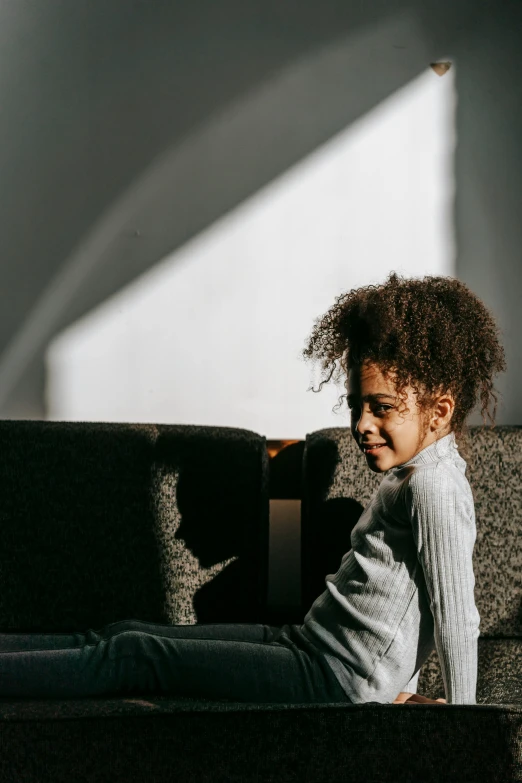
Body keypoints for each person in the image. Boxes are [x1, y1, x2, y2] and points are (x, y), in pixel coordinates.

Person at [0, 272, 506, 706]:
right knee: (122, 634)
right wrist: (395, 682)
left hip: (328, 679)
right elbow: (406, 604)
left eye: (382, 407)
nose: (362, 424)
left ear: (439, 411)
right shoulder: (417, 474)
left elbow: (454, 612)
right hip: (309, 646)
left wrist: (461, 724)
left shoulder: (434, 486)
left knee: (134, 655)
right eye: (356, 405)